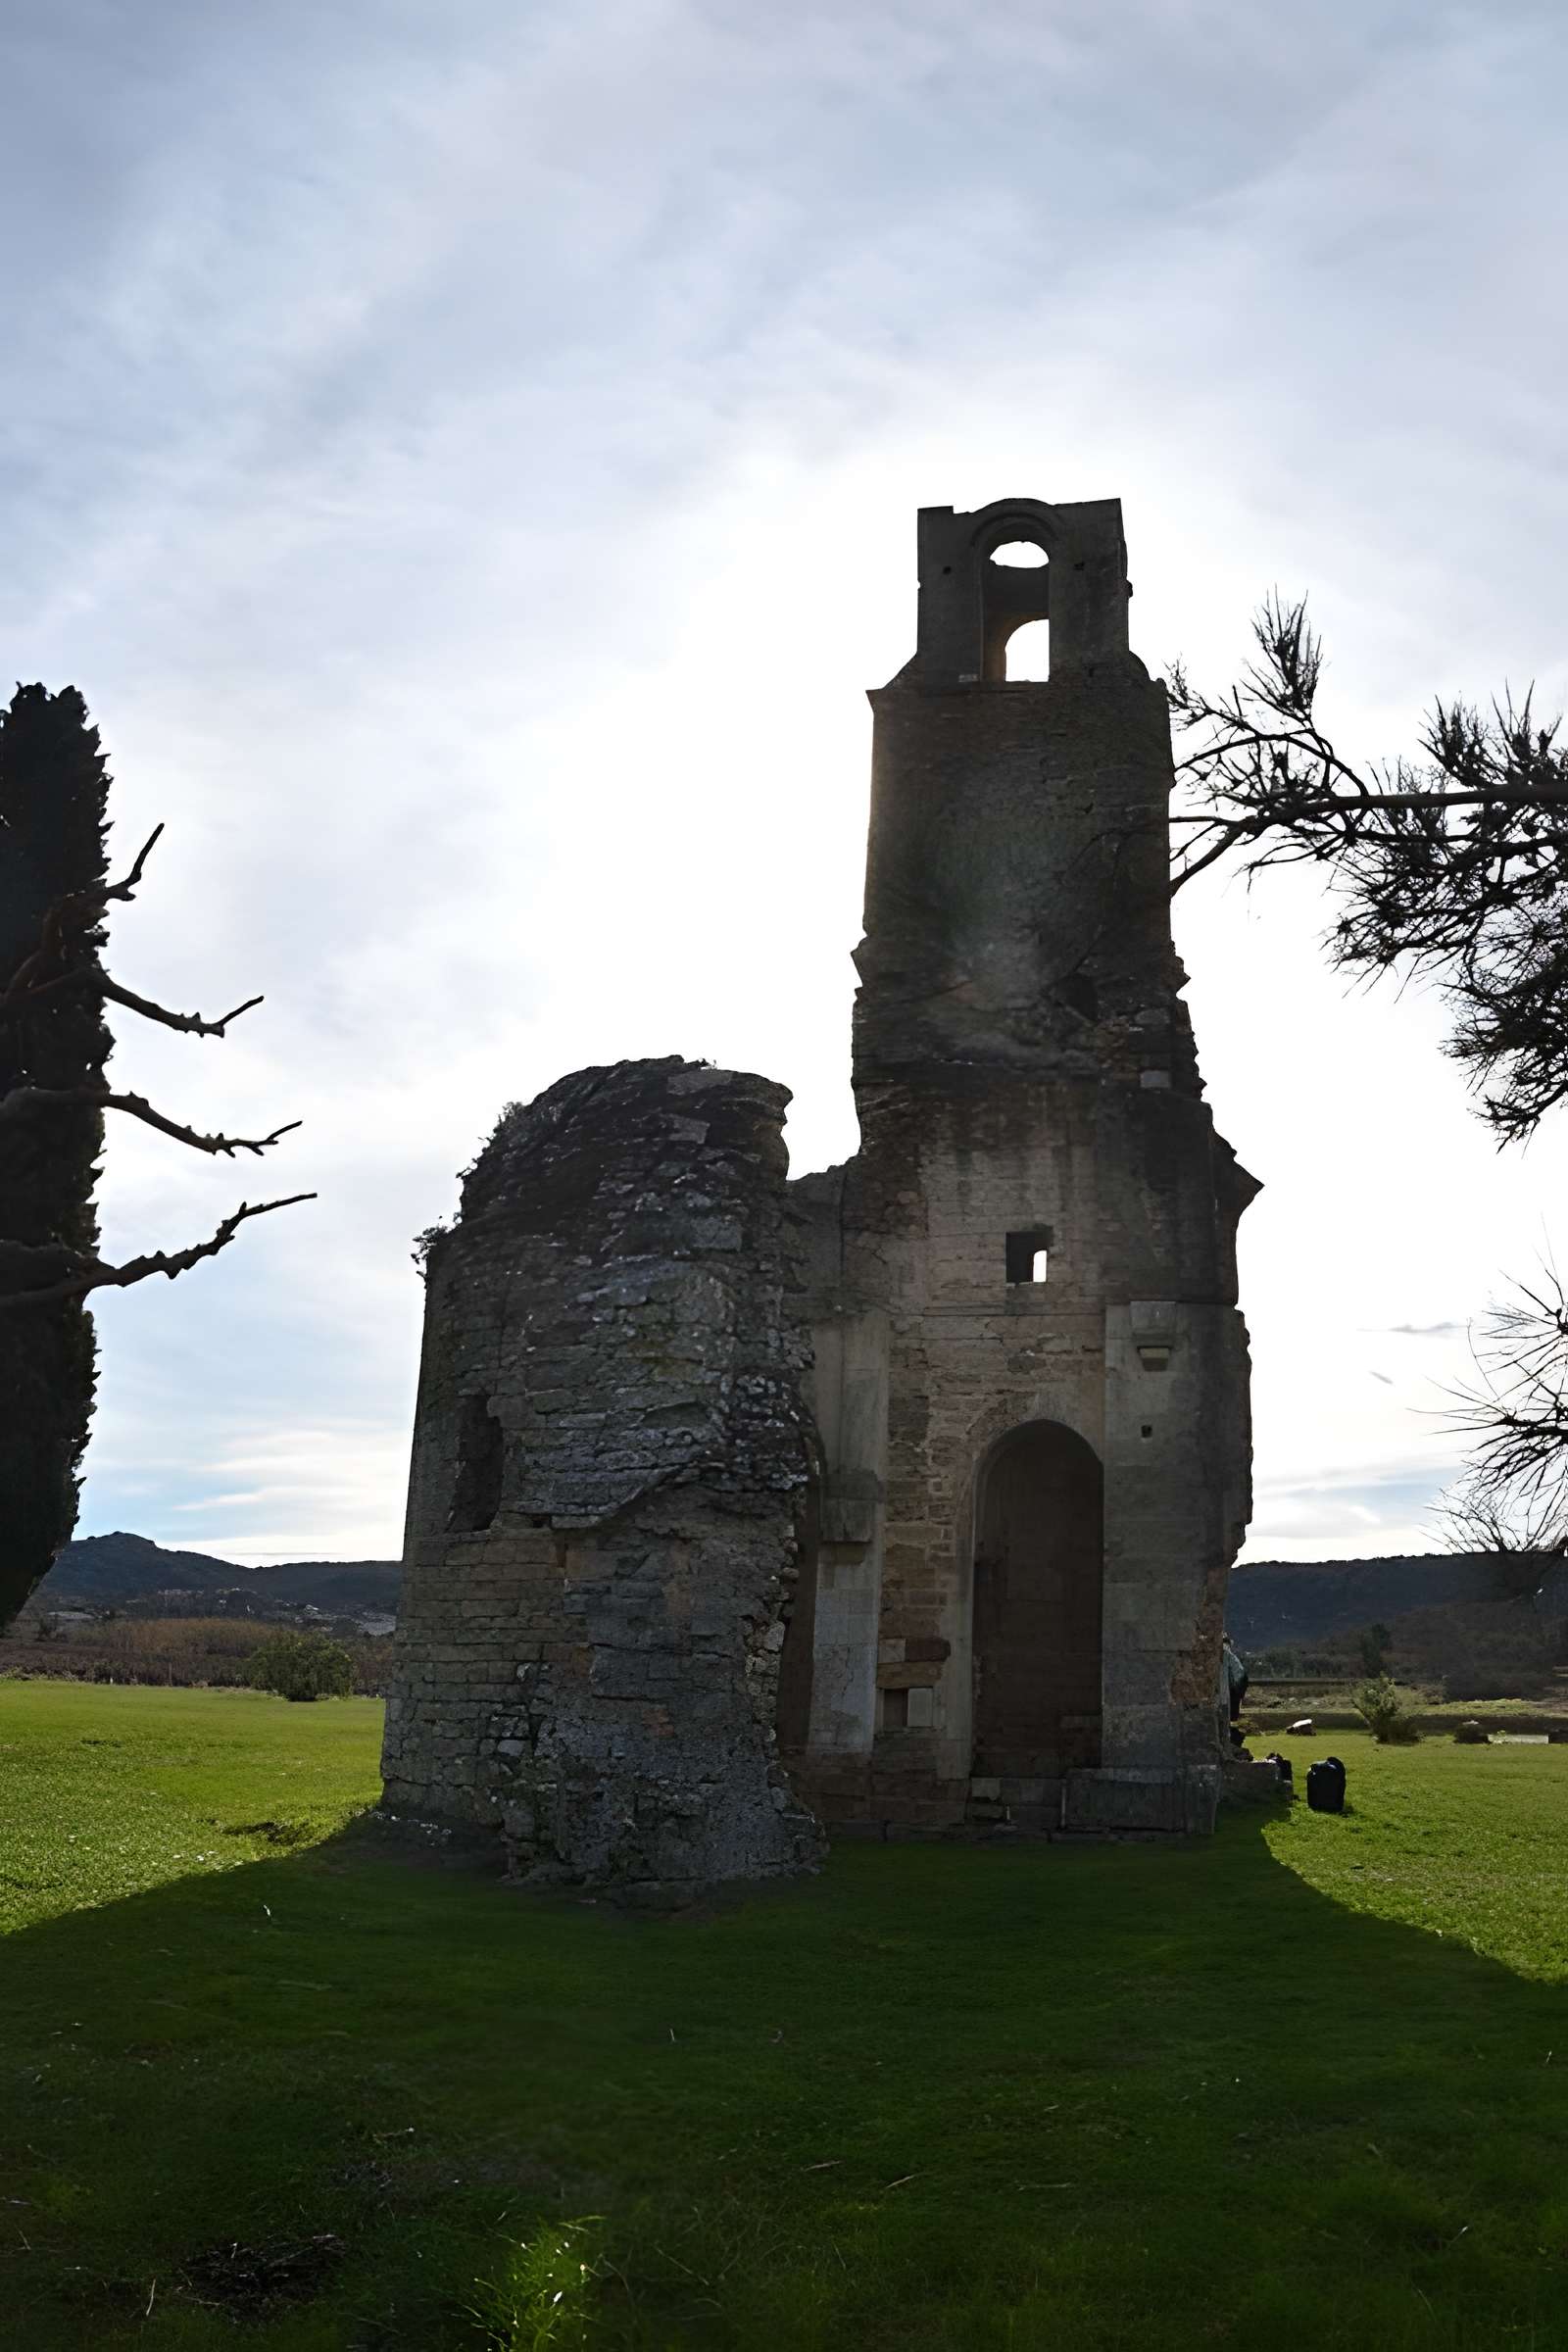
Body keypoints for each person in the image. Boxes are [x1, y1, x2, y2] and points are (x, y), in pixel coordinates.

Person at [1221, 1632, 1249, 1725]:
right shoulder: (1229, 1655)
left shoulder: (1226, 1654)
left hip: (1234, 1686)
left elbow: (1227, 1674)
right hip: (1236, 1685)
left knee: (1231, 1713)